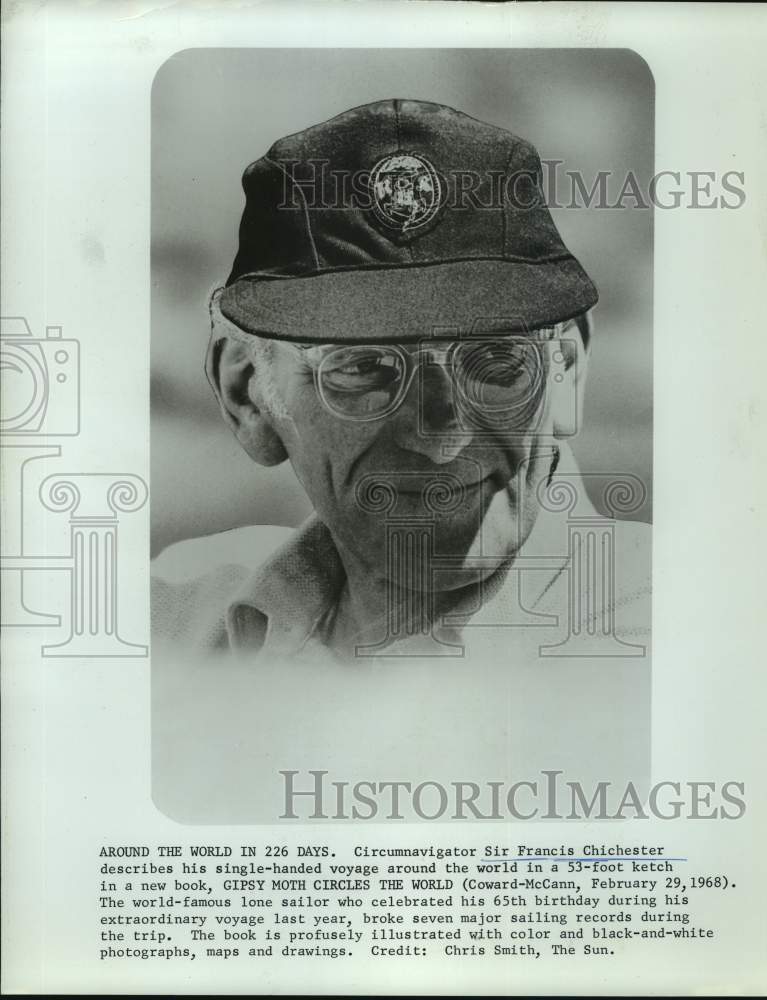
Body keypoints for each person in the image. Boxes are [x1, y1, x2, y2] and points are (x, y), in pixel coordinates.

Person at [152, 98, 650, 665]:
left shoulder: (686, 635)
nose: (442, 435)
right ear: (247, 395)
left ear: (566, 369)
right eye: (365, 368)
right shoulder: (162, 627)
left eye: (495, 361)